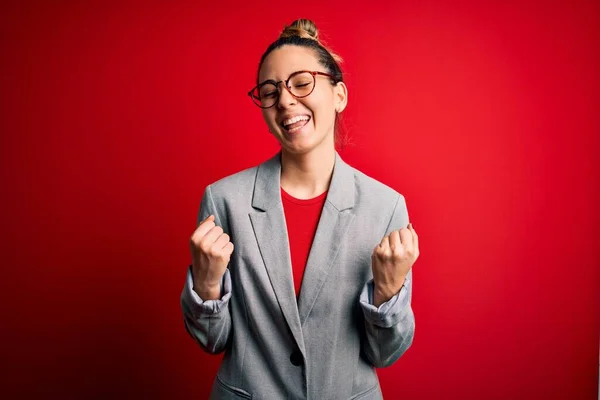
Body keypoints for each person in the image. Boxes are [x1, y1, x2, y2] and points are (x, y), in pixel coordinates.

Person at [180, 18, 419, 400]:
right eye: (270, 91)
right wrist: (206, 286)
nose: (286, 100)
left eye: (302, 82)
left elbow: (384, 353)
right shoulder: (223, 199)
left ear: (339, 95)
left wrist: (387, 292)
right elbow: (213, 341)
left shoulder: (385, 206)